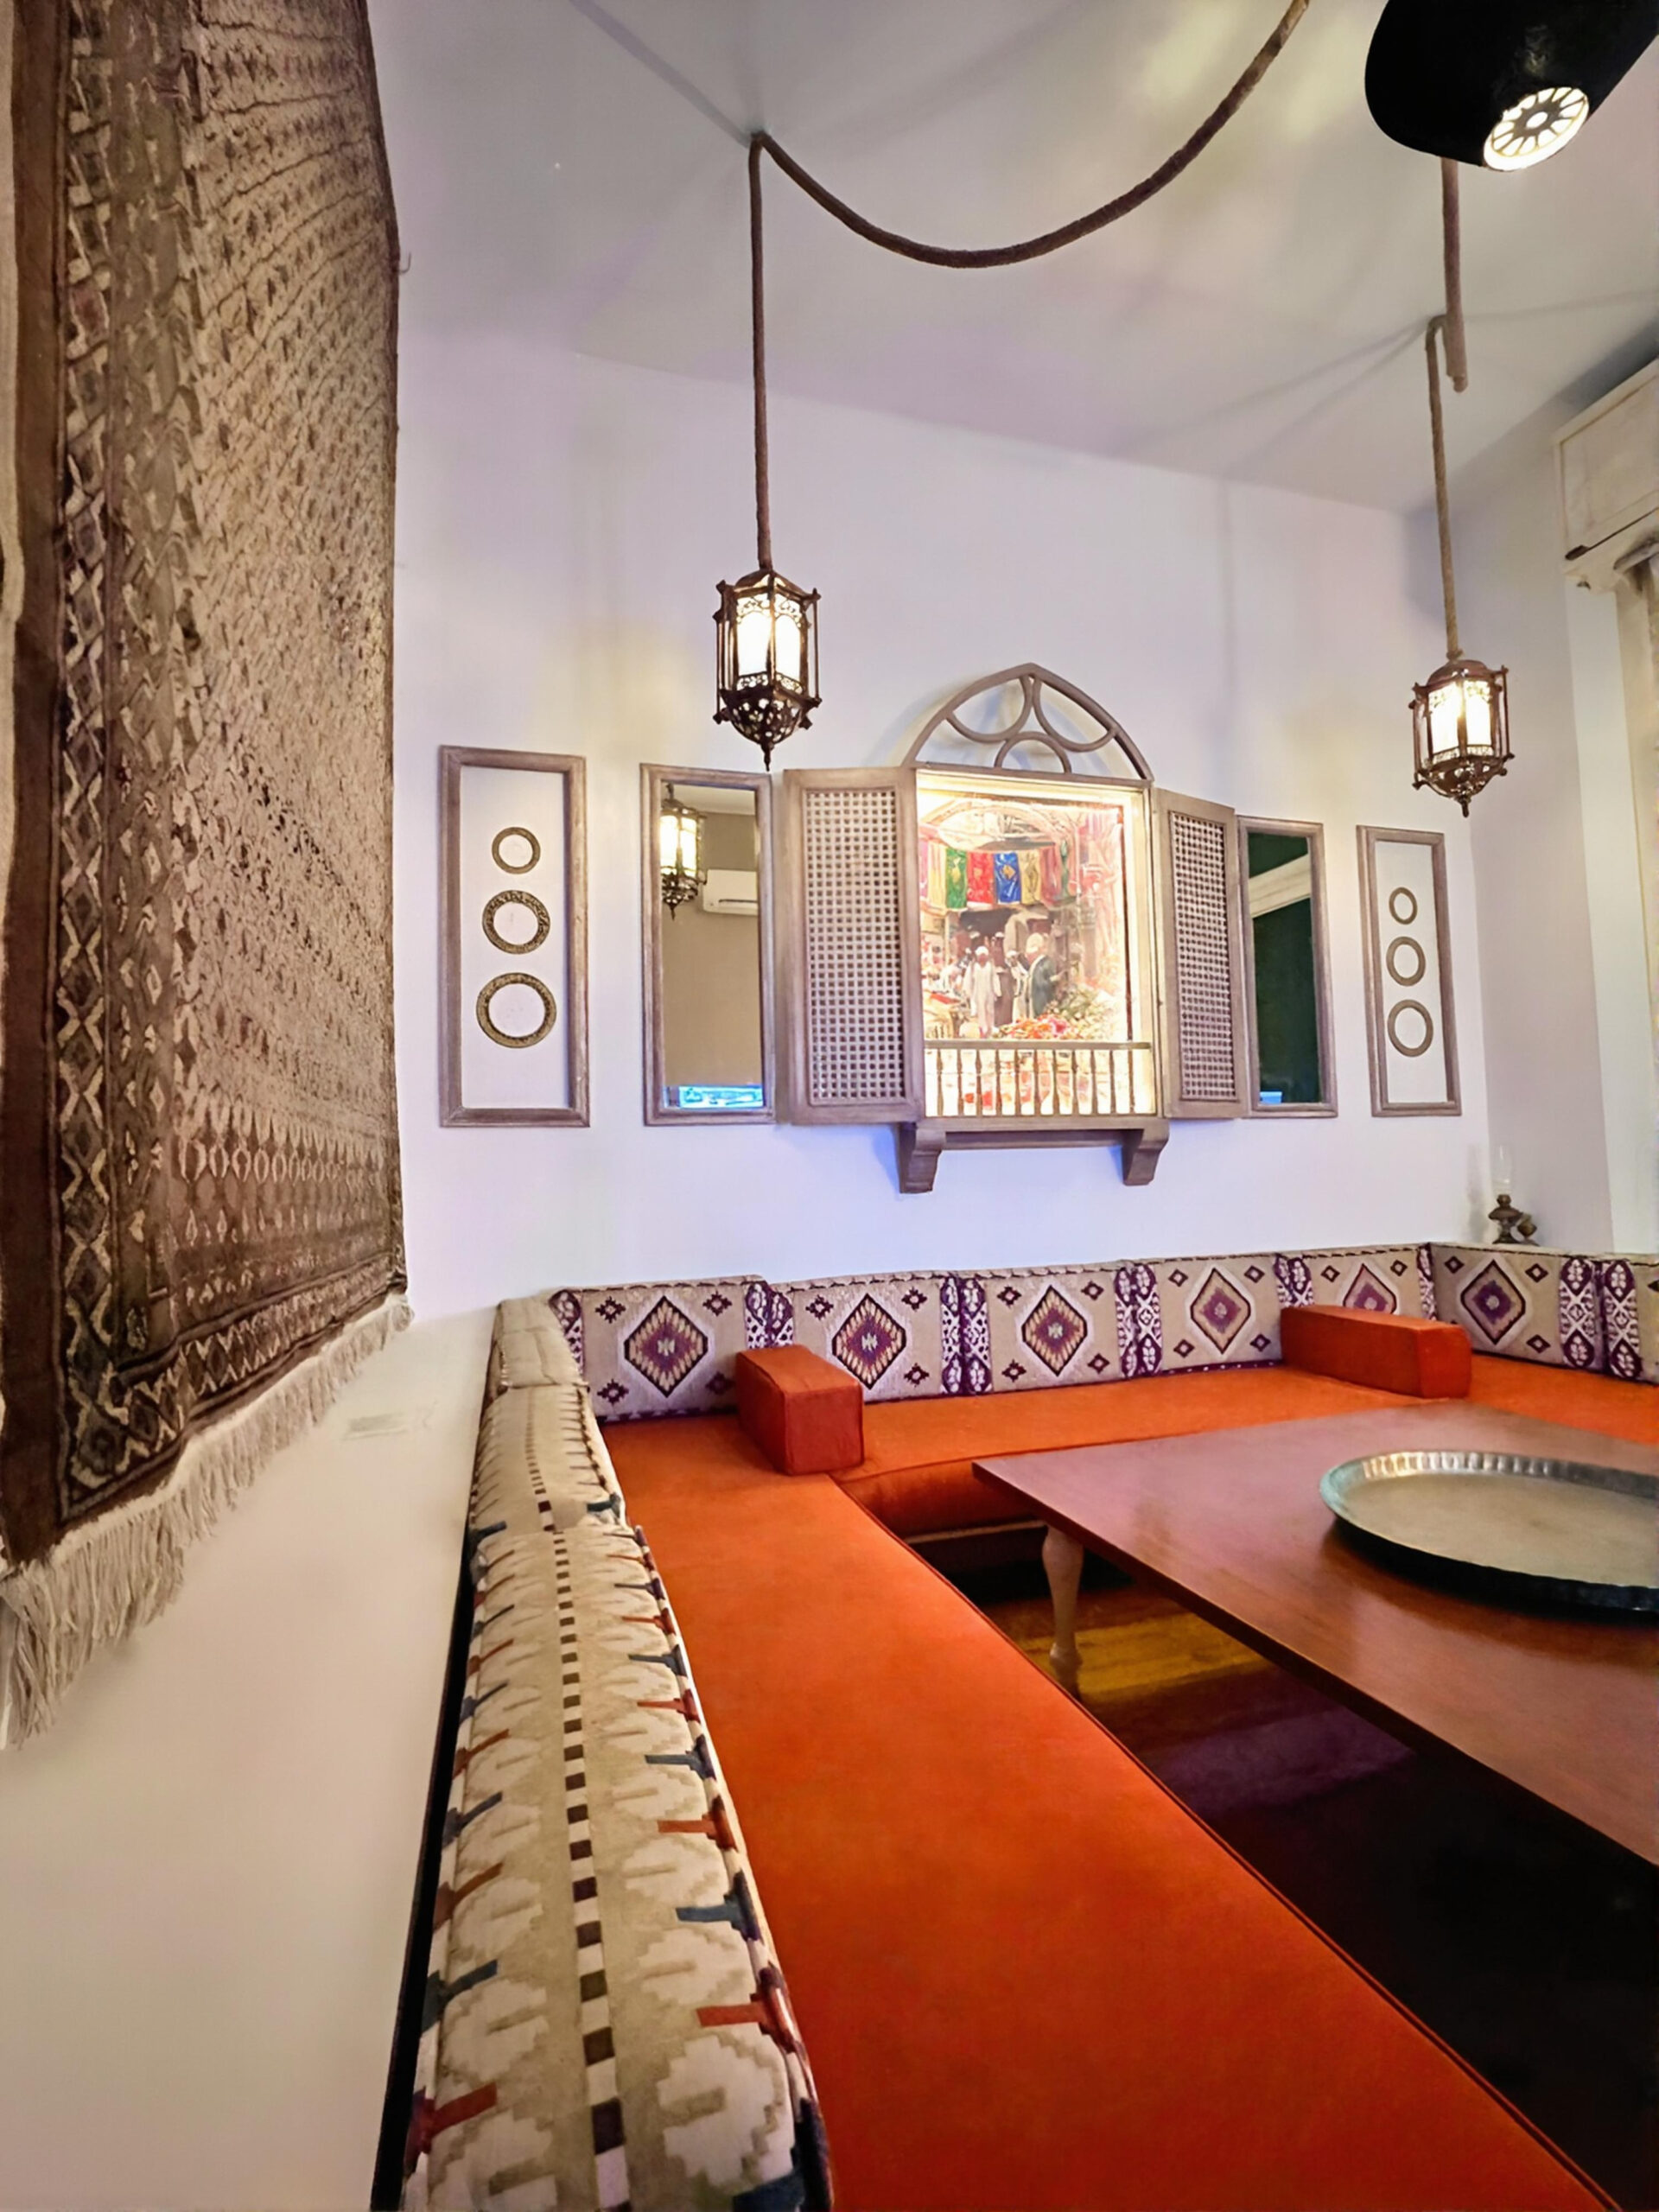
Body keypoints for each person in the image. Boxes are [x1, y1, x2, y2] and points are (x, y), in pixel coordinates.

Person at [966, 941, 999, 1036]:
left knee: (989, 1011)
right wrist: (968, 992)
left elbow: (994, 978)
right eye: (980, 956)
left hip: (989, 992)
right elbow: (968, 980)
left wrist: (997, 991)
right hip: (977, 993)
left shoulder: (990, 966)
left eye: (984, 955)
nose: (982, 958)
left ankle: (990, 1029)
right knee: (979, 1011)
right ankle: (981, 1030)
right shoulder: (973, 967)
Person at [1027, 929, 1060, 1019]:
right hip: (1035, 1001)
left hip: (1042, 1002)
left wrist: (1053, 980)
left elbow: (1042, 983)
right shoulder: (1036, 965)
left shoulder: (1045, 963)